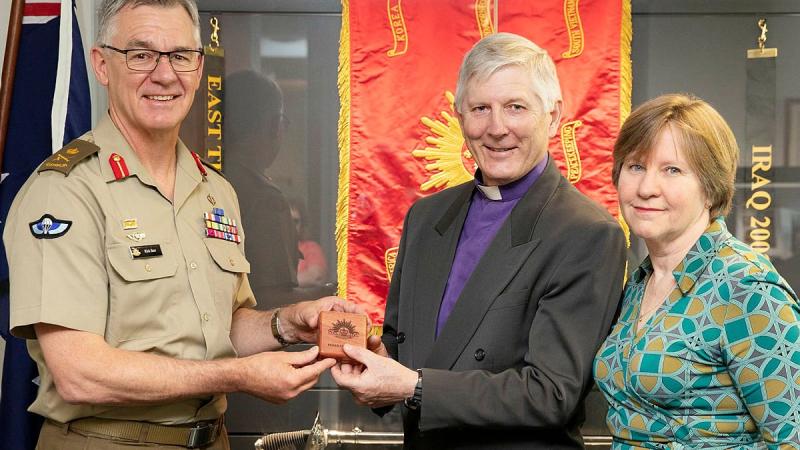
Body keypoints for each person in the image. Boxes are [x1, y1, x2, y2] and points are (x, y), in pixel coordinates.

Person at [3, 1, 360, 448]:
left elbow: (220, 329)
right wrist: (237, 375)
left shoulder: (215, 190)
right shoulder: (65, 193)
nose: (165, 74)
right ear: (101, 65)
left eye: (179, 55)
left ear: (198, 66)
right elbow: (79, 374)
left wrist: (286, 324)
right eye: (140, 54)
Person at [332, 32, 627, 449]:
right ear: (459, 116)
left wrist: (413, 387)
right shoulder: (426, 217)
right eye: (480, 108)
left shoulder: (587, 233)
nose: (496, 128)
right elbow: (406, 352)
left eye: (516, 107)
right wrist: (372, 366)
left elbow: (551, 394)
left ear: (554, 115)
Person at [593, 93, 800, 447]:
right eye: (636, 166)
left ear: (710, 188)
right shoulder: (639, 284)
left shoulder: (746, 287)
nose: (646, 188)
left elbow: (792, 437)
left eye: (672, 170)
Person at [225, 70, 301, 309]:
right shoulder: (266, 199)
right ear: (273, 126)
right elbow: (271, 299)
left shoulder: (209, 176)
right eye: (282, 123)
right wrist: (330, 294)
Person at [289, 199, 329, 287]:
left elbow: (316, 277)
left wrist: (282, 283)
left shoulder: (311, 248)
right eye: (287, 220)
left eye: (295, 221)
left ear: (302, 225)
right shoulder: (271, 250)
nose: (290, 225)